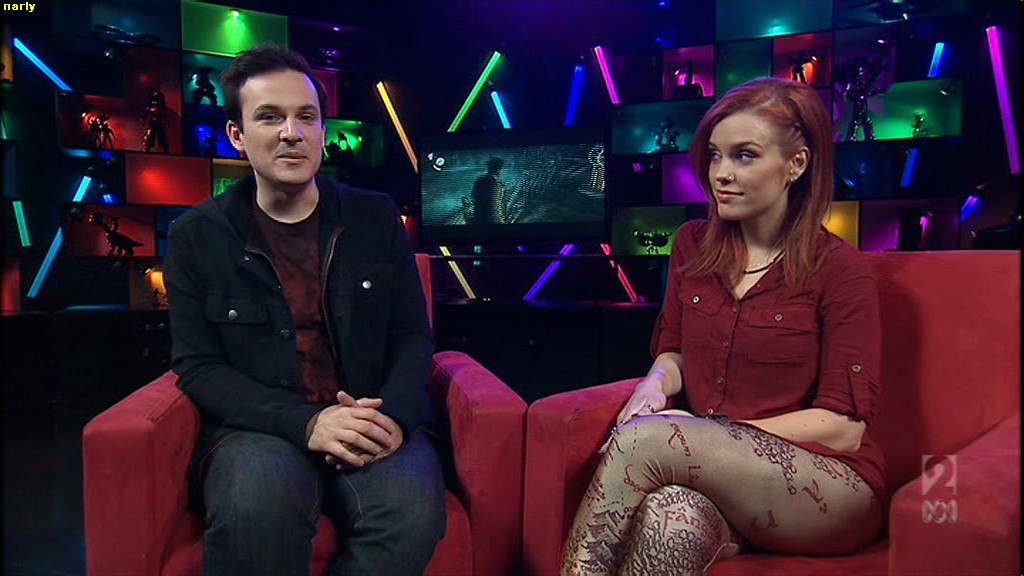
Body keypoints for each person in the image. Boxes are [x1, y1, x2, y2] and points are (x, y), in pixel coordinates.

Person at [561, 77, 885, 576]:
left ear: (796, 165)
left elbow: (843, 430)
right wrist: (654, 384)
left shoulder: (842, 271)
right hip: (714, 480)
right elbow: (674, 352)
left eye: (744, 156)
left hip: (827, 486)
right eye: (714, 155)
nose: (721, 174)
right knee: (670, 518)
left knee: (647, 439)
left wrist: (703, 434)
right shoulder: (691, 244)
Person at [164, 44, 445, 576]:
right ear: (237, 135)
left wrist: (392, 416)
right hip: (260, 426)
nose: (291, 132)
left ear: (321, 131)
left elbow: (412, 334)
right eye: (270, 117)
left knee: (411, 514)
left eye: (306, 117)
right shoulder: (196, 236)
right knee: (256, 508)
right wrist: (309, 422)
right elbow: (198, 367)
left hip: (370, 412)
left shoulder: (375, 217)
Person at [469, 157, 506, 224]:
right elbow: (494, 208)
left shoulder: (479, 180)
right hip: (490, 221)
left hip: (477, 218)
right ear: (499, 169)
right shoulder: (495, 183)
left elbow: (473, 196)